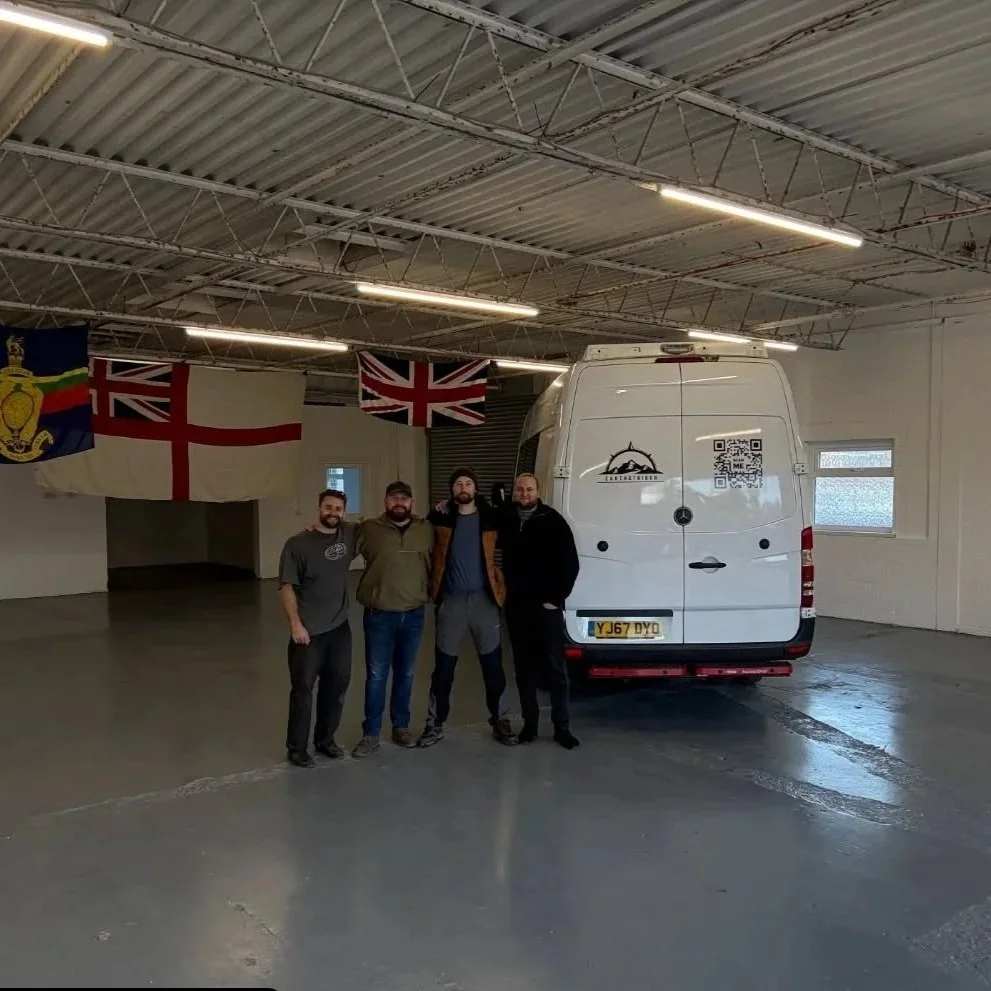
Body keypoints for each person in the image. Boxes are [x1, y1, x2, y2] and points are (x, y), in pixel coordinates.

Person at [417, 467, 517, 748]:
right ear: (451, 491)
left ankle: (500, 721)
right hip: (452, 603)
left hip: (485, 603)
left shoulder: (490, 517)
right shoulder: (439, 519)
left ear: (475, 489)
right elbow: (417, 539)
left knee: (493, 666)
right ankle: (434, 724)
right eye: (458, 483)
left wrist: (504, 502)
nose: (464, 487)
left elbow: (514, 527)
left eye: (469, 483)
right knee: (444, 668)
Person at [351, 481, 433, 758]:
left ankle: (401, 727)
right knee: (376, 676)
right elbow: (337, 544)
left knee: (406, 674)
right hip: (379, 615)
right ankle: (370, 735)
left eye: (404, 498)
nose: (399, 503)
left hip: (413, 614)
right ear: (385, 501)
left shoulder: (426, 530)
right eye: (394, 498)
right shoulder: (369, 529)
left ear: (412, 502)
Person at [499, 473, 581, 749]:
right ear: (515, 492)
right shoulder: (507, 518)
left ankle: (562, 727)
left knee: (556, 669)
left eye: (529, 489)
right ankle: (530, 725)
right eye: (520, 489)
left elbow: (570, 563)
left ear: (538, 491)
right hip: (517, 608)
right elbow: (475, 515)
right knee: (524, 670)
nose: (524, 494)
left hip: (546, 608)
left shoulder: (553, 521)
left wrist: (556, 598)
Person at [279, 488, 358, 767]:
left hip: (339, 627)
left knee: (337, 685)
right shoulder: (297, 544)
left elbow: (385, 526)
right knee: (303, 689)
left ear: (344, 512)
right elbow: (287, 587)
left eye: (338, 508)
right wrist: (295, 624)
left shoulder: (349, 534)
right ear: (318, 508)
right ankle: (297, 748)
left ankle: (325, 740)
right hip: (308, 632)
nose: (333, 512)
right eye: (328, 507)